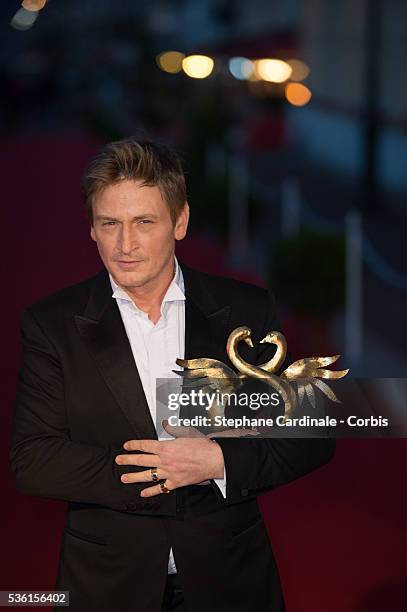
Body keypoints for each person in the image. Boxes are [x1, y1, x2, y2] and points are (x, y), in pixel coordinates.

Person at [10, 138, 335, 612]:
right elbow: (33, 459)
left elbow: (312, 431)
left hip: (230, 578)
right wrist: (164, 472)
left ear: (179, 221)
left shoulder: (242, 311)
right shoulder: (51, 324)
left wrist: (217, 461)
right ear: (92, 230)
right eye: (109, 224)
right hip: (106, 585)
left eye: (144, 222)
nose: (125, 245)